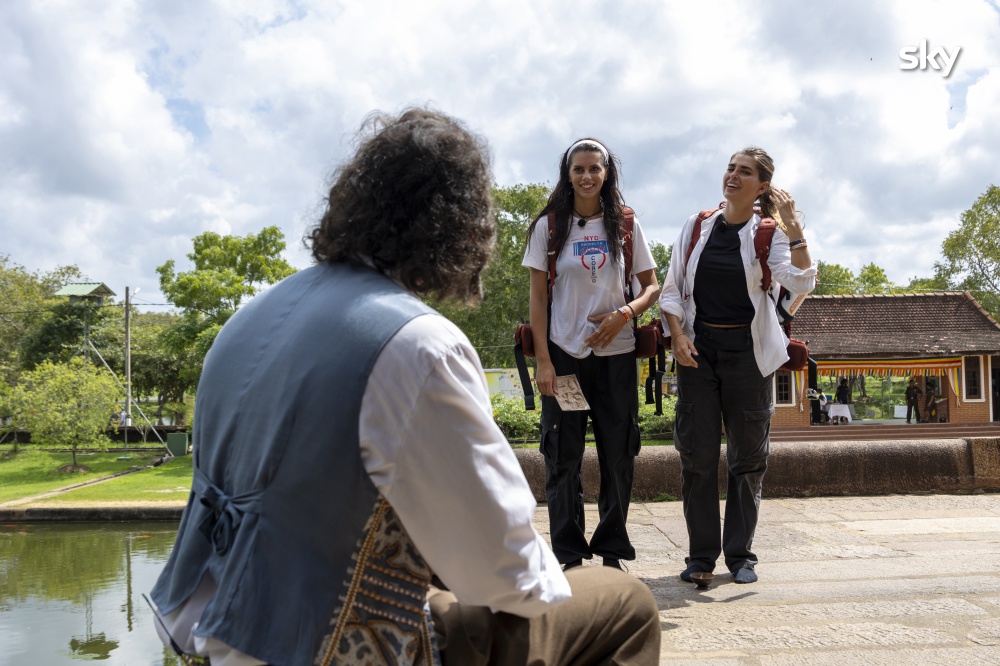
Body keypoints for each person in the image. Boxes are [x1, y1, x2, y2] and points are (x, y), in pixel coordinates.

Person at [147, 109, 659, 666]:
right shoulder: (415, 345)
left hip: (228, 634)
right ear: (457, 225)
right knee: (621, 602)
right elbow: (509, 577)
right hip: (336, 646)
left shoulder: (248, 320)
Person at [659, 146, 817, 585]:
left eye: (744, 171)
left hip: (748, 356)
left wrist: (795, 227)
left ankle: (741, 556)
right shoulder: (696, 227)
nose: (733, 175)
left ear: (761, 186)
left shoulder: (769, 234)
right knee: (697, 457)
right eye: (730, 167)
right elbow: (671, 291)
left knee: (748, 460)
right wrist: (677, 335)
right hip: (698, 353)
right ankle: (701, 557)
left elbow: (803, 280)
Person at [522, 138, 660, 572]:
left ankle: (612, 550)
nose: (586, 176)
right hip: (565, 356)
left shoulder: (624, 224)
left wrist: (625, 313)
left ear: (607, 173)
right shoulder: (550, 227)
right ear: (568, 174)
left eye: (594, 169)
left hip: (615, 358)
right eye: (578, 169)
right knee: (562, 455)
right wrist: (543, 360)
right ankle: (568, 552)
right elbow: (538, 299)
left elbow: (652, 286)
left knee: (618, 454)